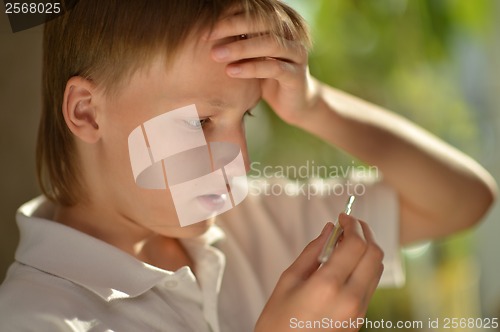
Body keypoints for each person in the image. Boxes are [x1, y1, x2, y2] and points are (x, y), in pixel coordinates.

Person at [0, 1, 496, 331]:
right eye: (200, 122)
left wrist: (317, 105)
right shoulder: (35, 317)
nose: (239, 159)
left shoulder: (250, 224)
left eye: (247, 115)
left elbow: (464, 200)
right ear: (86, 111)